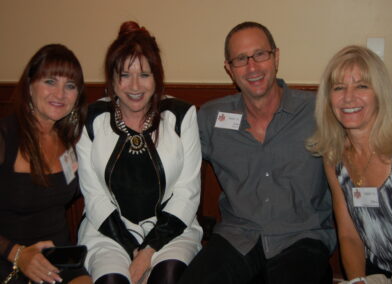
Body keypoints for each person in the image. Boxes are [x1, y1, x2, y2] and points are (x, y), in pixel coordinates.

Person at [178, 21, 336, 284]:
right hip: (236, 237)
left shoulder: (317, 112)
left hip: (302, 238)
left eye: (260, 54)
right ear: (229, 69)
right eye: (241, 59)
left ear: (276, 57)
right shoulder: (209, 117)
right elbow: (172, 163)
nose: (252, 67)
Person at [76, 21, 202, 284]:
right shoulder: (90, 119)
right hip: (108, 232)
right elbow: (94, 195)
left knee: (167, 276)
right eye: (124, 75)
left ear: (157, 78)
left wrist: (148, 252)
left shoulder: (181, 115)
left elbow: (187, 192)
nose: (135, 86)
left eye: (144, 75)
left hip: (172, 232)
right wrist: (132, 250)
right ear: (112, 79)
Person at [307, 45, 392, 284]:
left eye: (361, 86)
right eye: (339, 88)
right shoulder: (333, 157)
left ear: (380, 93)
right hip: (376, 272)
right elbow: (349, 235)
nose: (348, 97)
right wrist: (359, 280)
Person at [0, 44, 90, 284]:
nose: (60, 94)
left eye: (69, 86)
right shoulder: (5, 137)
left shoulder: (70, 140)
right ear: (30, 85)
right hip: (7, 259)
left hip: (59, 260)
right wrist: (17, 254)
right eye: (50, 81)